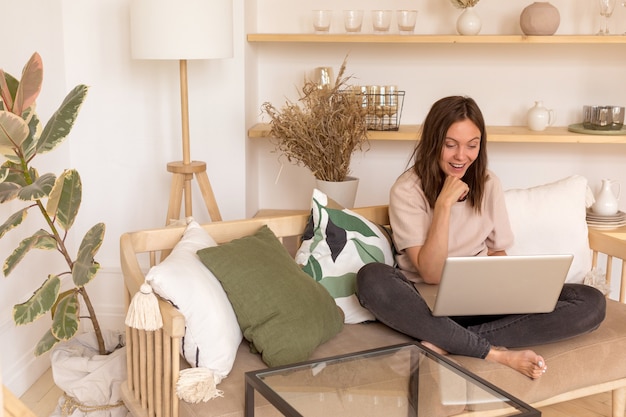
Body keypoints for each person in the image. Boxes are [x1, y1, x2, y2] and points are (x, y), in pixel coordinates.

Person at [356, 95, 606, 379]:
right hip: (427, 304)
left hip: (481, 302)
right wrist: (444, 205)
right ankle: (495, 352)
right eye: (450, 145)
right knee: (371, 277)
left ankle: (450, 342)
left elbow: (498, 253)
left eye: (471, 146)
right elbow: (431, 272)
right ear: (433, 142)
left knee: (591, 302)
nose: (461, 156)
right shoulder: (406, 190)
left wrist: (510, 290)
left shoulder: (488, 184)